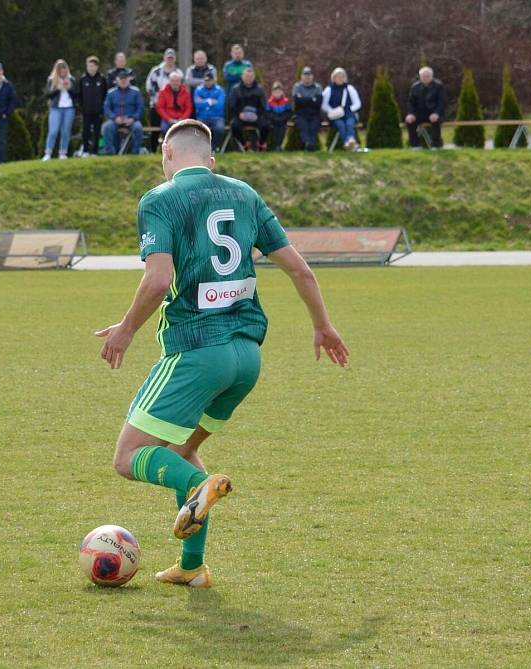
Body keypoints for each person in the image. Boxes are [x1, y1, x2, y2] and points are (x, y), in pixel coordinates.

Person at [95, 118, 349, 588]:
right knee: (185, 451)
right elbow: (301, 271)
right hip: (247, 358)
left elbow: (158, 280)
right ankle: (192, 568)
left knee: (129, 457)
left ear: (167, 155)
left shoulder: (160, 199)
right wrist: (323, 326)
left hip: (197, 351)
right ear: (211, 160)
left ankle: (196, 489)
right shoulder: (244, 194)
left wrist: (127, 329)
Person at [146, 49, 184, 152]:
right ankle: (153, 151)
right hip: (156, 105)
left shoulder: (178, 72)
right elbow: (149, 88)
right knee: (155, 130)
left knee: (172, 130)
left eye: (172, 58)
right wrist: (161, 98)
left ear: (175, 59)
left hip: (172, 108)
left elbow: (181, 89)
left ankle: (172, 151)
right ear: (164, 58)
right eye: (168, 58)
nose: (170, 60)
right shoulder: (156, 71)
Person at [102, 71, 144, 155]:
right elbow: (106, 108)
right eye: (121, 79)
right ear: (117, 80)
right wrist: (114, 117)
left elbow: (140, 108)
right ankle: (110, 153)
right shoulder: (111, 93)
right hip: (116, 119)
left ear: (128, 80)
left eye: (125, 79)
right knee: (107, 127)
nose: (123, 81)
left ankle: (135, 152)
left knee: (138, 128)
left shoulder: (136, 92)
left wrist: (133, 118)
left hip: (131, 119)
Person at [405, 67, 447, 149]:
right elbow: (411, 103)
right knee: (409, 121)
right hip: (420, 113)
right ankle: (415, 146)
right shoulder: (415, 87)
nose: (425, 78)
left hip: (434, 113)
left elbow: (442, 102)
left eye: (428, 76)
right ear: (420, 77)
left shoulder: (439, 86)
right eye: (423, 76)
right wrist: (411, 114)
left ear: (432, 76)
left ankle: (436, 145)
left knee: (435, 121)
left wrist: (436, 113)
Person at [43, 59, 77, 161]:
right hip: (56, 108)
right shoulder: (51, 80)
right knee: (53, 131)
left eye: (64, 69)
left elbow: (76, 94)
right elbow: (48, 95)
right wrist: (58, 89)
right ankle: (48, 153)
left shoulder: (72, 80)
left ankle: (63, 153)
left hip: (69, 108)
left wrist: (69, 88)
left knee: (65, 131)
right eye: (60, 70)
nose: (63, 72)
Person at [229, 67, 269, 151]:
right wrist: (239, 114)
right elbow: (232, 105)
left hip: (256, 117)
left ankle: (261, 144)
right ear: (242, 77)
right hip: (240, 116)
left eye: (250, 76)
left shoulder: (260, 89)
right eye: (246, 76)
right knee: (234, 126)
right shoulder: (235, 89)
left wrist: (257, 115)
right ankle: (244, 144)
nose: (248, 78)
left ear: (254, 77)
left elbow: (263, 106)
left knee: (266, 125)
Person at [321, 67, 362, 151]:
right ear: (333, 78)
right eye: (338, 77)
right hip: (335, 115)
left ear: (345, 78)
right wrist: (331, 111)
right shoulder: (329, 90)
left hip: (349, 114)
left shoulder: (350, 88)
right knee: (341, 125)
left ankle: (350, 142)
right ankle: (350, 144)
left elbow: (357, 103)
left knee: (350, 124)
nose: (340, 79)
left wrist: (348, 109)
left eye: (342, 76)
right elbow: (323, 104)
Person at [79, 56, 108, 156]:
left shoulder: (102, 79)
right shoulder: (83, 79)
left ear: (97, 67)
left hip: (98, 112)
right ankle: (86, 150)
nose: (90, 68)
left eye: (92, 66)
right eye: (88, 66)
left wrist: (102, 108)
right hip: (86, 112)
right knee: (86, 132)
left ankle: (95, 151)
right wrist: (82, 108)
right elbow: (80, 95)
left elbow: (105, 94)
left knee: (97, 132)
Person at [292, 66, 323, 151]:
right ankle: (308, 144)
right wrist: (312, 99)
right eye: (305, 75)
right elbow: (297, 102)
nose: (307, 77)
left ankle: (310, 146)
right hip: (300, 114)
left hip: (314, 114)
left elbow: (318, 103)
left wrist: (304, 99)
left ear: (312, 76)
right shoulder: (297, 86)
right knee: (304, 128)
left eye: (309, 75)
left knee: (313, 128)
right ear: (301, 76)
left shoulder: (318, 87)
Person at [193, 71, 225, 151]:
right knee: (200, 129)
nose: (208, 82)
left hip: (217, 116)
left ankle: (214, 147)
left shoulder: (220, 90)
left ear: (213, 80)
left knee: (219, 128)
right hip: (202, 116)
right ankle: (203, 148)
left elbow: (220, 106)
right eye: (206, 80)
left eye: (210, 80)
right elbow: (197, 105)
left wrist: (203, 102)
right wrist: (210, 101)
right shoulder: (198, 90)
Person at [266, 81, 292, 151]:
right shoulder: (269, 101)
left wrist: (283, 118)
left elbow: (289, 112)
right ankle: (275, 145)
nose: (277, 93)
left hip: (282, 121)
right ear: (272, 92)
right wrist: (274, 118)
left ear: (282, 92)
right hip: (273, 121)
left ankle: (279, 145)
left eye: (279, 92)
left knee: (282, 131)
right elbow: (268, 113)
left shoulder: (286, 101)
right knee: (275, 131)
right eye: (275, 92)